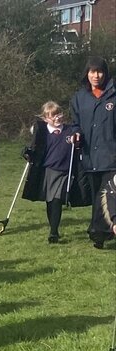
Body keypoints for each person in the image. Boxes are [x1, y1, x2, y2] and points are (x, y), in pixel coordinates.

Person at [22, 101, 90, 243]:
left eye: (59, 114)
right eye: (53, 116)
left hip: (64, 171)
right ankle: (53, 227)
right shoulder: (43, 133)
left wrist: (77, 139)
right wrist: (28, 153)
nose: (57, 118)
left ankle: (53, 232)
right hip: (48, 171)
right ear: (46, 118)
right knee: (50, 201)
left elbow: (80, 141)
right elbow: (36, 149)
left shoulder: (69, 130)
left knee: (57, 199)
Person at [70, 56, 116, 249]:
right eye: (92, 72)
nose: (96, 76)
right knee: (98, 195)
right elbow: (75, 124)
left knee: (110, 193)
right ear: (86, 74)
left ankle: (99, 232)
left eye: (99, 72)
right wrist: (75, 134)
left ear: (105, 73)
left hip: (111, 155)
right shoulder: (79, 98)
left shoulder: (113, 95)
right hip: (89, 156)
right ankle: (101, 232)